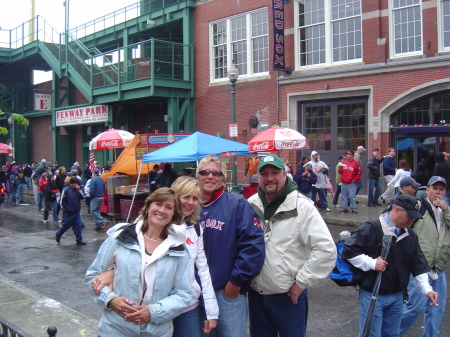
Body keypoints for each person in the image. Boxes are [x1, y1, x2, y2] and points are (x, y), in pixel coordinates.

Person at [247, 154, 336, 337]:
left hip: (288, 297)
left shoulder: (302, 207)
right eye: (264, 174)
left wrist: (301, 282)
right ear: (258, 177)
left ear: (284, 175)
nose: (269, 178)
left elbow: (325, 249)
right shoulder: (251, 205)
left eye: (275, 172)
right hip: (256, 295)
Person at [85, 188, 191, 337]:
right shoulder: (121, 237)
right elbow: (93, 275)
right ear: (148, 206)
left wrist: (152, 312)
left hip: (156, 332)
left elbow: (183, 293)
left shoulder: (178, 249)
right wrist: (110, 300)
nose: (162, 210)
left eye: (168, 207)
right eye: (158, 204)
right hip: (116, 329)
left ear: (174, 214)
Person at [342, 194, 438, 337]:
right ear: (396, 209)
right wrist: (372, 263)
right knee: (370, 334)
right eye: (409, 216)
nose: (412, 220)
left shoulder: (410, 235)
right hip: (373, 295)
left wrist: (426, 289)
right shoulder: (372, 228)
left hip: (397, 296)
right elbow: (348, 251)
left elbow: (418, 263)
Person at [196, 155, 265, 337]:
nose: (210, 176)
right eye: (205, 172)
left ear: (223, 178)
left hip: (226, 292)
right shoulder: (188, 206)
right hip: (196, 294)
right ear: (198, 176)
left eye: (216, 173)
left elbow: (253, 246)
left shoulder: (237, 204)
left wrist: (236, 281)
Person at [400, 176, 450, 337]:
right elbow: (401, 228)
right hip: (420, 267)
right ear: (427, 189)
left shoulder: (445, 210)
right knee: (414, 307)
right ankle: (387, 332)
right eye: (435, 188)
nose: (438, 192)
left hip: (439, 266)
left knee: (437, 307)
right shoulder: (419, 206)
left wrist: (446, 210)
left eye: (441, 189)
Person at [55, 176, 86, 245]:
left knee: (78, 226)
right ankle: (58, 234)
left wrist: (79, 190)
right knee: (66, 225)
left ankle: (79, 239)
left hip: (76, 211)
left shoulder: (77, 190)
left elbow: (83, 197)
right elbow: (61, 201)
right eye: (74, 183)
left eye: (76, 183)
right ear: (71, 184)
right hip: (69, 212)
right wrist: (66, 208)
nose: (75, 185)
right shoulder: (66, 190)